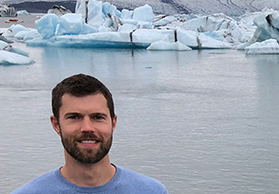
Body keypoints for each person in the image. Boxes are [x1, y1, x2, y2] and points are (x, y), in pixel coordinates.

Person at [13, 74, 167, 194]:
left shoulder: (152, 191)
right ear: (56, 125)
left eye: (98, 117)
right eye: (74, 117)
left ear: (113, 123)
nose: (87, 128)